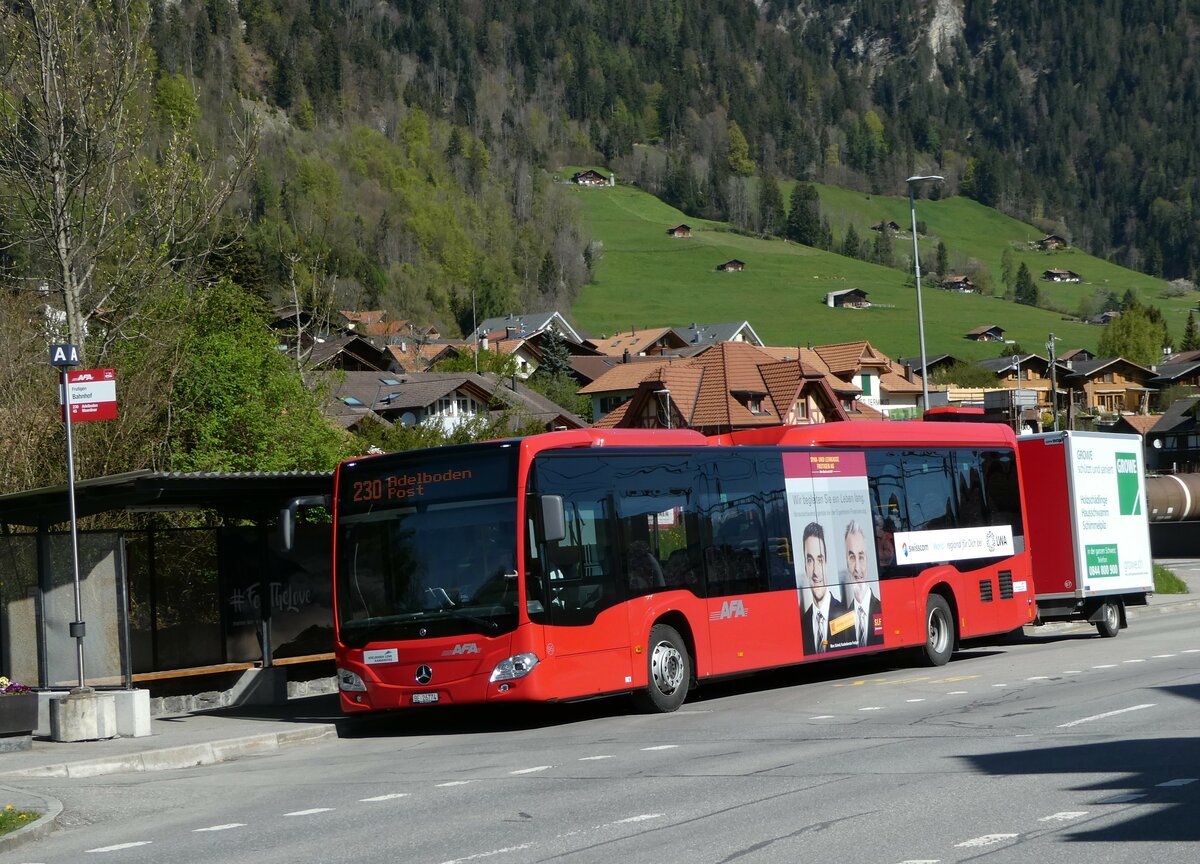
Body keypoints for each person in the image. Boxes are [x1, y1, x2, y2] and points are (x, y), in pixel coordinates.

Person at [800, 522, 846, 655]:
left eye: (820, 560)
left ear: (827, 564)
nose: (815, 572)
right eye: (810, 560)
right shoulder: (803, 622)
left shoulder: (846, 613)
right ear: (805, 566)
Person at [841, 520, 883, 648]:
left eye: (861, 557)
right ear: (846, 562)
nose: (857, 568)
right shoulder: (842, 618)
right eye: (852, 557)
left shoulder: (882, 608)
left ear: (868, 561)